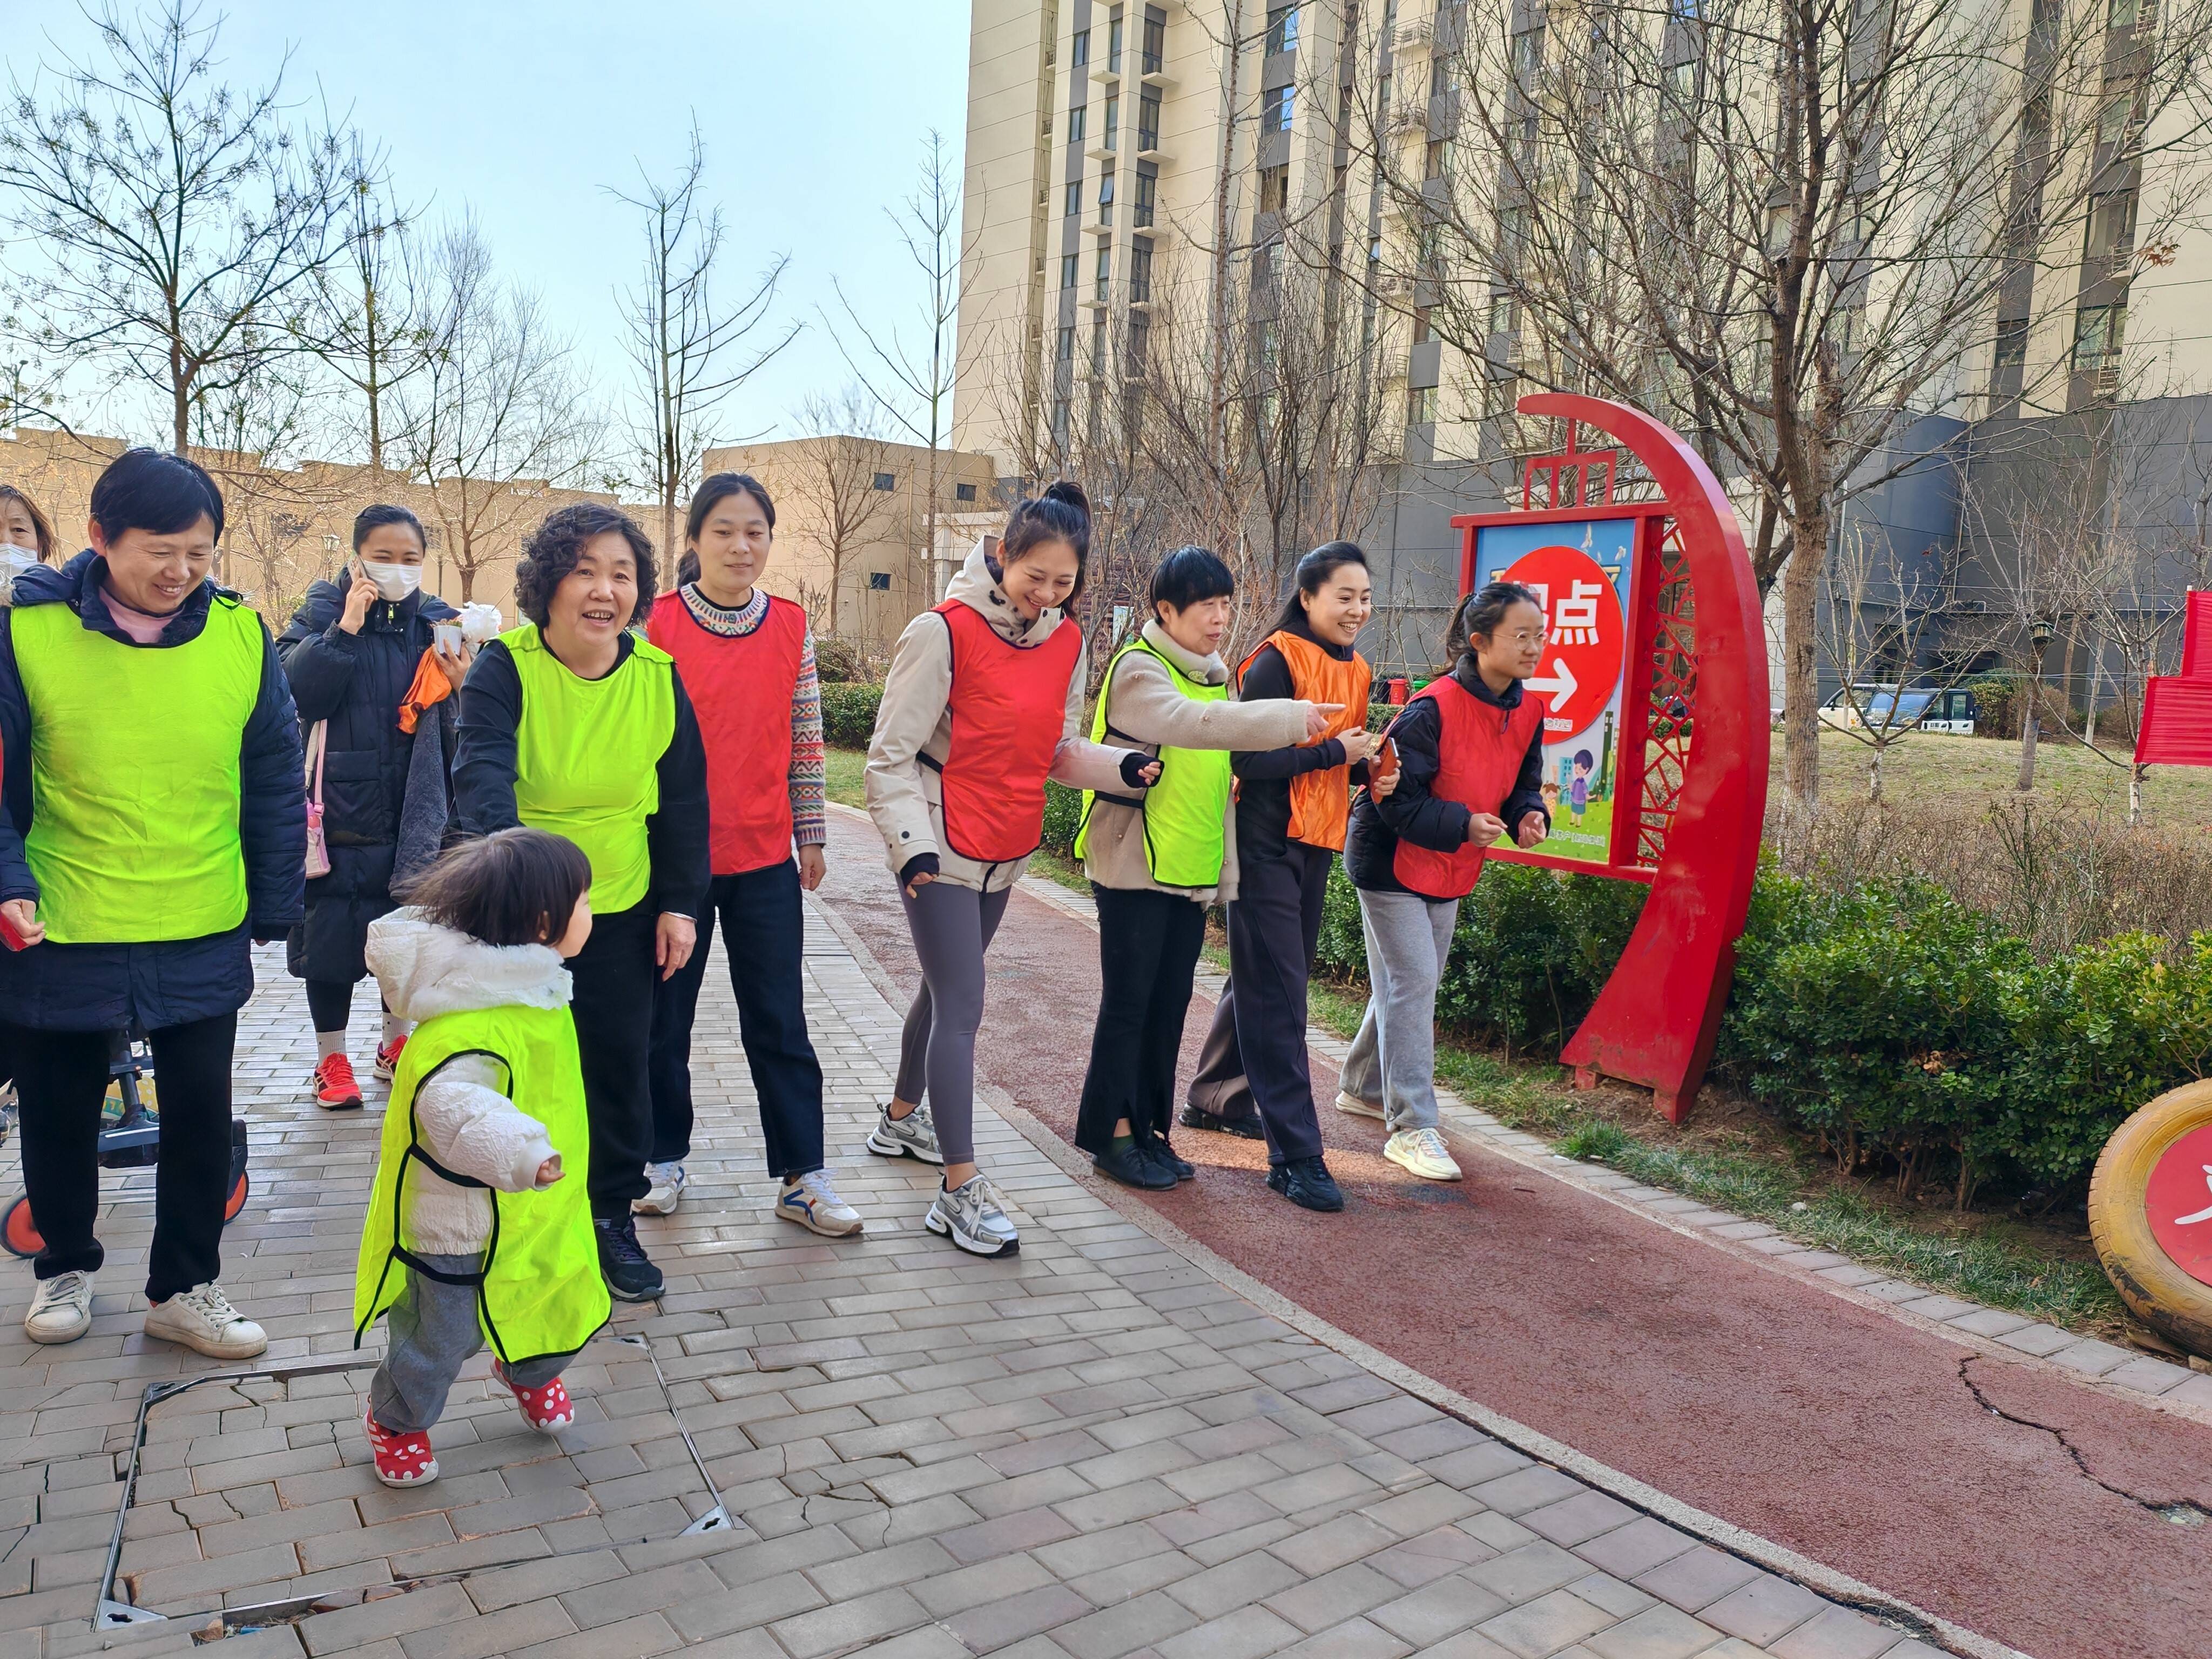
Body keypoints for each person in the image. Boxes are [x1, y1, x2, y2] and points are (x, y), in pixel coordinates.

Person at [0, 448, 305, 1355]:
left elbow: (273, 776)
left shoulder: (243, 638)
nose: (179, 571)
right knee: (57, 1113)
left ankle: (186, 1286)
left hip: (198, 917)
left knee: (201, 1117)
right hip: (65, 919)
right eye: (158, 551)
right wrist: (8, 882)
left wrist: (277, 899)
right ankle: (66, 1266)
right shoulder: (26, 634)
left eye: (199, 554)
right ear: (99, 538)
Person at [865, 482, 1152, 1255]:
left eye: (1065, 583)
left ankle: (900, 1120)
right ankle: (958, 1189)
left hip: (1005, 847)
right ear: (1002, 556)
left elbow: (1056, 749)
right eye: (1037, 577)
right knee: (964, 1002)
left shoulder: (1067, 641)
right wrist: (909, 845)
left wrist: (1122, 768)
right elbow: (889, 756)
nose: (1048, 595)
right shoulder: (943, 631)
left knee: (941, 989)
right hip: (937, 844)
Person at [452, 504, 709, 1304]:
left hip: (626, 909)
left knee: (618, 1068)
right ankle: (524, 1217)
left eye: (622, 574)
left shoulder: (659, 679)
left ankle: (608, 1219)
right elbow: (482, 779)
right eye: (585, 571)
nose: (605, 590)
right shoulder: (507, 668)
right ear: (549, 584)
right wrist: (536, 892)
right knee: (526, 1068)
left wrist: (681, 906)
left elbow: (685, 806)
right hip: (526, 908)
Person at [1070, 546, 1340, 1189]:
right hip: (1135, 866)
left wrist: (1223, 871)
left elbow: (1218, 772)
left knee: (1168, 1008)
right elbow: (1196, 725)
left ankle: (1151, 1133)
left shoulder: (1216, 673)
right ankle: (1112, 1137)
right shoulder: (1140, 669)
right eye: (1206, 606)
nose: (1220, 618)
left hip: (1187, 867)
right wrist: (1289, 720)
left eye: (1226, 604)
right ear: (1166, 611)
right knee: (1129, 1006)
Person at [353, 828, 609, 1487]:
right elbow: (452, 1106)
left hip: (533, 1206)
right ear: (545, 922)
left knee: (553, 1298)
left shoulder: (533, 992)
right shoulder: (474, 1018)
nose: (594, 911)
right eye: (585, 900)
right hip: (462, 1221)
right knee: (441, 1336)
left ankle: (529, 1369)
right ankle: (399, 1418)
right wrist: (524, 1151)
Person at [643, 474, 859, 1235]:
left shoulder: (792, 625)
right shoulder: (655, 625)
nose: (741, 546)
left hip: (765, 856)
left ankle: (804, 1176)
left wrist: (812, 834)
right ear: (696, 540)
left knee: (779, 1021)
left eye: (756, 533)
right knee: (662, 1020)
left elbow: (805, 739)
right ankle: (660, 1156)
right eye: (725, 531)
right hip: (673, 864)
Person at [1181, 542, 1379, 1213]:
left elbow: (1331, 763)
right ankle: (1296, 1157)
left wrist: (1366, 767)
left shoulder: (1358, 669)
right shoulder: (1273, 661)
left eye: (1364, 597)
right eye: (1343, 597)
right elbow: (1247, 760)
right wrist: (1334, 751)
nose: (1357, 610)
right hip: (1263, 845)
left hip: (1315, 845)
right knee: (1283, 999)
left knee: (1263, 979)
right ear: (1308, 598)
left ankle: (1215, 1096)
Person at [1339, 582, 1551, 1181]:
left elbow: (1521, 781)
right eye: (1521, 636)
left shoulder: (1529, 708)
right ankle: (1411, 1127)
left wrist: (1525, 814)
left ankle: (1360, 1084)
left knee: (1409, 982)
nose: (1534, 647)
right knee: (1415, 981)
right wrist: (1463, 822)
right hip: (1389, 858)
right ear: (1480, 641)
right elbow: (1393, 797)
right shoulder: (1431, 707)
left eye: (1540, 635)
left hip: (1452, 860)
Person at [280, 504, 467, 1109]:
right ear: (357, 556)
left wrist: (465, 676)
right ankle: (331, 1060)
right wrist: (346, 629)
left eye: (410, 559)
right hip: (335, 810)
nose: (397, 570)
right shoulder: (322, 612)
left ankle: (394, 1046)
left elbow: (470, 713)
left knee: (405, 936)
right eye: (383, 557)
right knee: (330, 945)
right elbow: (297, 693)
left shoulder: (437, 623)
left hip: (412, 810)